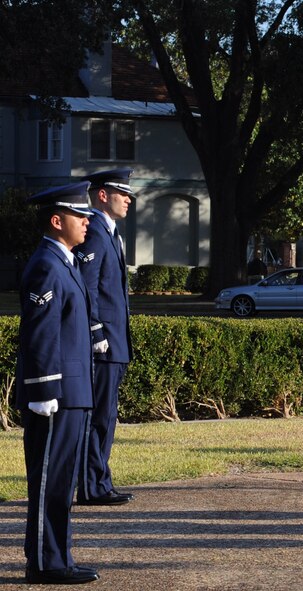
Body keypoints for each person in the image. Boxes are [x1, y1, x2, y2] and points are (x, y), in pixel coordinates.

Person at [16, 182, 101, 584]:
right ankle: (46, 564)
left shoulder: (65, 262)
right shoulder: (47, 265)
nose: (87, 221)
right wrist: (43, 389)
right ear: (56, 220)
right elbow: (40, 333)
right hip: (56, 395)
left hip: (74, 393)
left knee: (62, 482)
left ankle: (55, 558)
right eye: (79, 215)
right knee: (50, 482)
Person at [73, 169, 135, 507]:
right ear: (102, 195)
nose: (128, 199)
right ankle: (92, 486)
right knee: (99, 416)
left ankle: (99, 482)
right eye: (120, 192)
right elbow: (88, 286)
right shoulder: (96, 230)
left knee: (106, 416)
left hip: (115, 344)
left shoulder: (108, 233)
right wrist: (96, 332)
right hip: (104, 344)